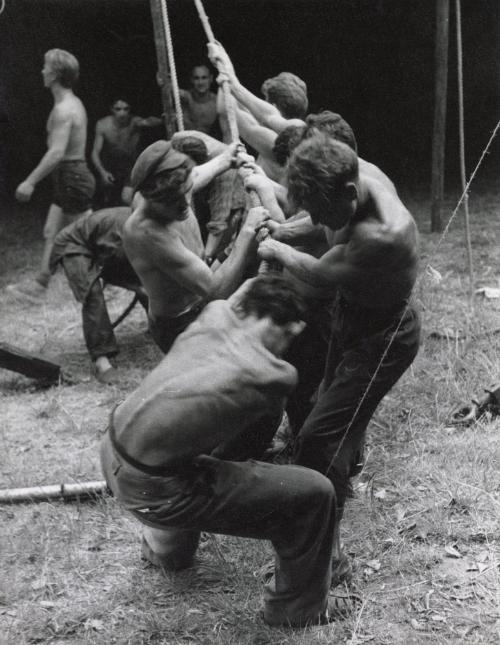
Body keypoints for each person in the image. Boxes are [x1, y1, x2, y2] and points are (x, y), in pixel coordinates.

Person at [100, 273, 356, 627]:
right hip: (158, 492)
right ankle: (297, 609)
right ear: (290, 328)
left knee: (228, 433)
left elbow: (242, 294)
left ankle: (164, 550)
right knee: (314, 494)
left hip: (113, 452)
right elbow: (278, 390)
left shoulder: (215, 313)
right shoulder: (273, 375)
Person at [258, 134, 421, 585]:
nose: (321, 220)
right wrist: (287, 228)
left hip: (385, 335)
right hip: (353, 313)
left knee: (318, 438)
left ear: (350, 194)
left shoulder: (384, 234)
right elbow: (320, 225)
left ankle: (328, 559)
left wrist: (278, 249)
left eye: (326, 212)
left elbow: (320, 274)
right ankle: (337, 487)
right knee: (326, 408)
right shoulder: (341, 178)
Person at [123, 139, 266, 353]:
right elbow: (215, 291)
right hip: (182, 322)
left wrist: (228, 158)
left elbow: (196, 174)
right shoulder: (148, 233)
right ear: (152, 200)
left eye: (187, 192)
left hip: (201, 292)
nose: (184, 207)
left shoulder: (175, 187)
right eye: (175, 203)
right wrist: (246, 232)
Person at [11, 49, 96, 299]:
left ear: (56, 74)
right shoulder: (67, 104)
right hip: (68, 176)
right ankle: (40, 283)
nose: (42, 71)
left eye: (46, 67)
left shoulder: (64, 110)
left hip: (73, 176)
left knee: (88, 236)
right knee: (52, 230)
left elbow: (57, 152)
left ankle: (112, 277)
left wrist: (30, 181)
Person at [50, 207, 148, 383]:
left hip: (99, 244)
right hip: (73, 245)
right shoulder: (125, 230)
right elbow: (109, 266)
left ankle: (160, 327)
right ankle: (101, 362)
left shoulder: (151, 225)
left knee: (146, 282)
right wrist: (135, 286)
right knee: (92, 294)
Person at [91, 98, 162, 208]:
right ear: (111, 109)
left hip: (130, 165)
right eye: (118, 109)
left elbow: (149, 122)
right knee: (106, 200)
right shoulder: (103, 125)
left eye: (125, 109)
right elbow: (95, 153)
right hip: (110, 165)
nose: (122, 113)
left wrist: (164, 118)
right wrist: (102, 172)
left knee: (126, 197)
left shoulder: (135, 122)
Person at [180, 64, 222, 138]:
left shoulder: (218, 102)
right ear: (192, 80)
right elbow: (170, 89)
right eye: (196, 78)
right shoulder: (186, 97)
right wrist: (162, 81)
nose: (200, 82)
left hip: (208, 144)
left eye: (204, 78)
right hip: (184, 142)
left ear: (211, 79)